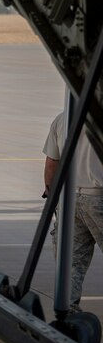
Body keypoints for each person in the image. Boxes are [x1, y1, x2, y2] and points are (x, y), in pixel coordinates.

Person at [43, 112, 103, 313]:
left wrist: (52, 196)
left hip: (69, 199)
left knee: (71, 263)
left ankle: (68, 313)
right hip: (98, 197)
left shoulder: (62, 118)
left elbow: (52, 162)